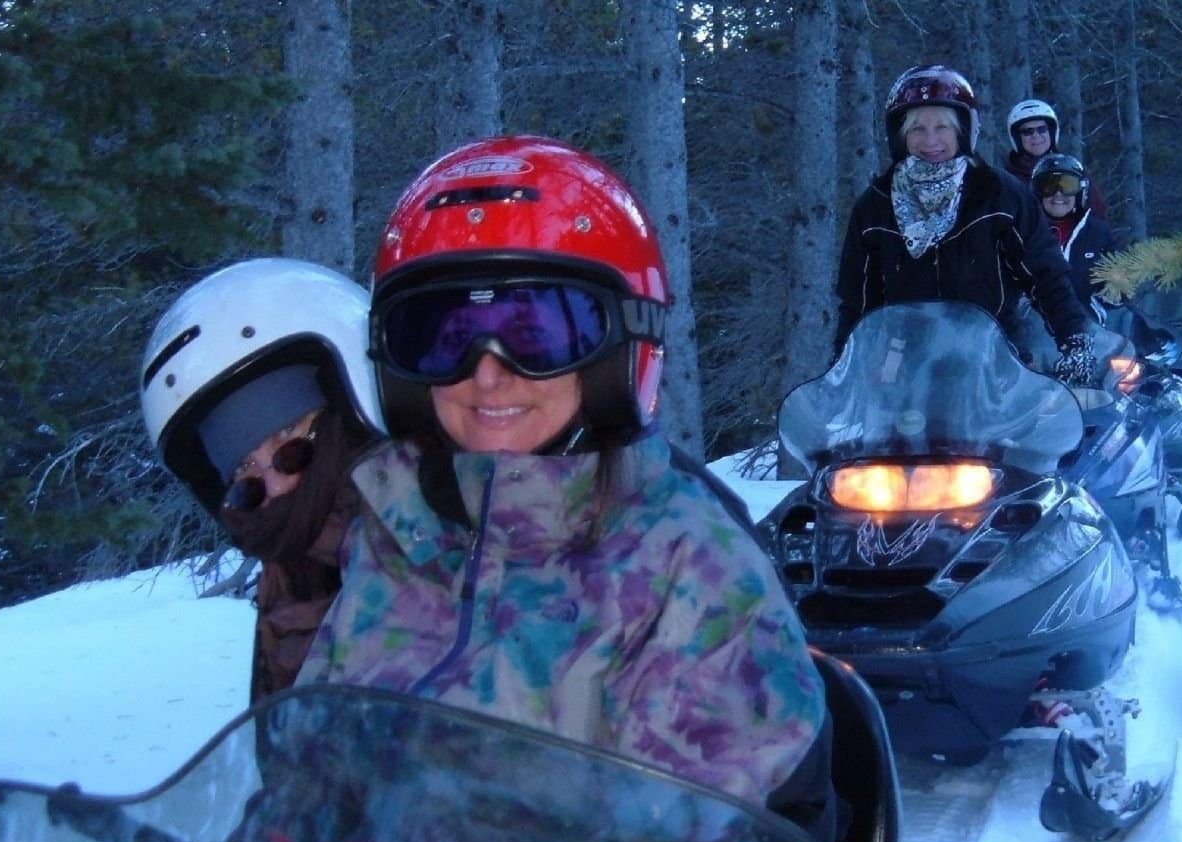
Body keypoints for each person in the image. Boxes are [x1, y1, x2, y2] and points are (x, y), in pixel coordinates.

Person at [298, 136, 826, 807]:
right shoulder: (397, 533)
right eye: (444, 337)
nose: (488, 373)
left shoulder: (690, 563)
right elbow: (308, 779)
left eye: (537, 334)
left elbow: (695, 828)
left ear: (616, 351)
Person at [138, 259, 385, 703]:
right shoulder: (287, 578)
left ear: (349, 411)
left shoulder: (438, 530)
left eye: (290, 446)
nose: (277, 488)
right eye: (246, 479)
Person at [836, 64, 1104, 387]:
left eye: (943, 127)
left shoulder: (1000, 195)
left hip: (995, 367)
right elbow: (857, 304)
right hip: (906, 374)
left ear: (963, 131)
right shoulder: (874, 207)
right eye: (917, 128)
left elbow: (1046, 277)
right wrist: (843, 372)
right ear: (900, 135)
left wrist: (1075, 340)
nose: (930, 140)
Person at [1032, 152, 1122, 314]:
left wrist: (1111, 294)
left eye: (1067, 185)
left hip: (1086, 322)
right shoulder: (1023, 232)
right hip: (1030, 323)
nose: (1058, 193)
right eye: (1048, 186)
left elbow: (1118, 290)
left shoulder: (1097, 233)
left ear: (1080, 192)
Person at [1004, 98, 1110, 219]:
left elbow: (1097, 212)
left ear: (1052, 132)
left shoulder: (1071, 170)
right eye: (1027, 132)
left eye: (1042, 129)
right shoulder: (1007, 180)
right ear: (1017, 138)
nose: (1036, 136)